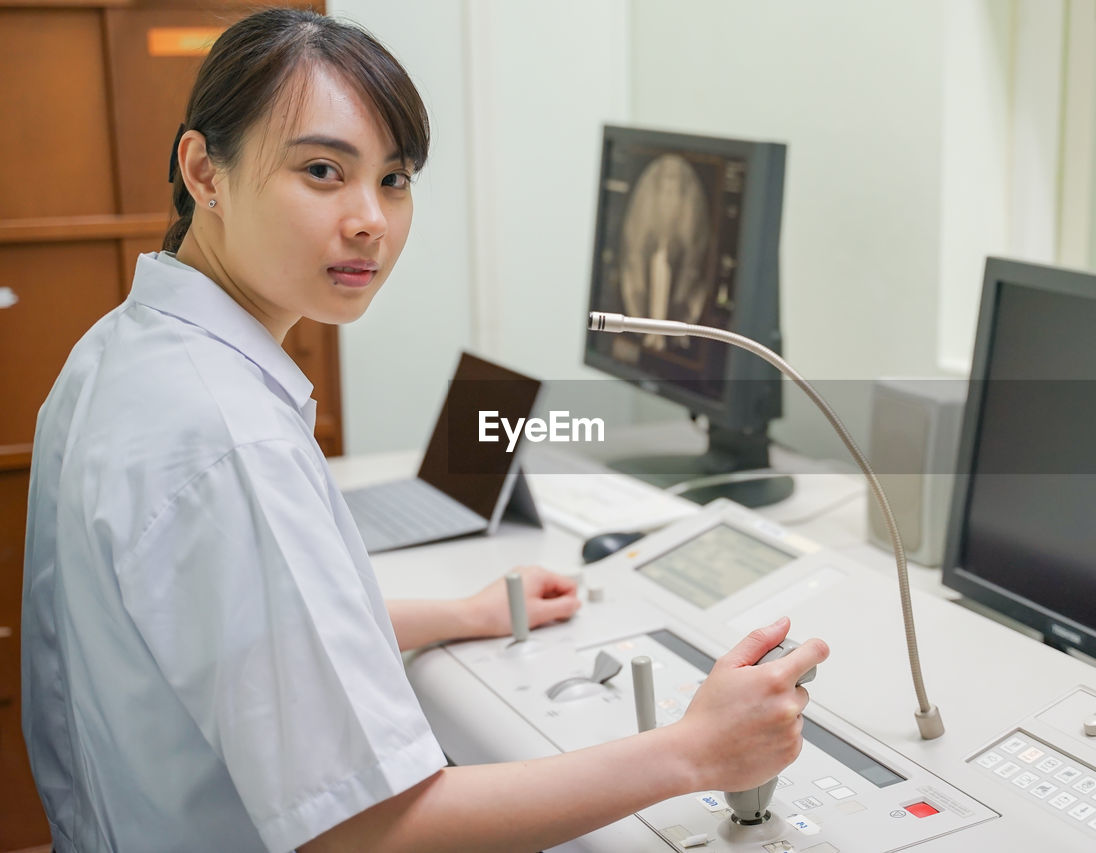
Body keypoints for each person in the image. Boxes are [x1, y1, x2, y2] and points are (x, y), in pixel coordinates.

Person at [21, 9, 829, 852]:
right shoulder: (231, 440)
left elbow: (239, 627)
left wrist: (458, 613)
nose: (370, 218)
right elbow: (367, 830)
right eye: (323, 170)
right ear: (204, 171)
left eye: (395, 179)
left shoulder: (118, 350)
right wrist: (693, 751)